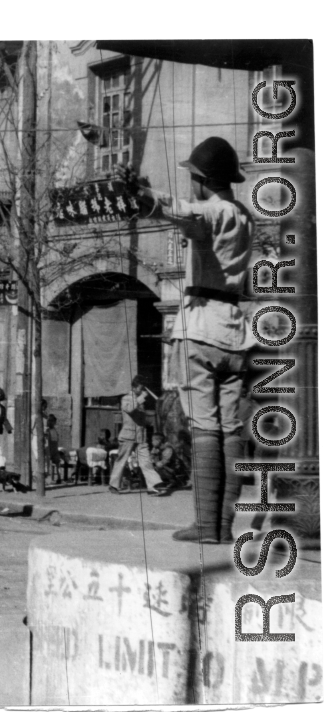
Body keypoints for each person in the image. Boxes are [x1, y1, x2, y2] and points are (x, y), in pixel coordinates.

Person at [117, 136, 253, 542]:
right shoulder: (244, 213)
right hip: (235, 330)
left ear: (202, 179)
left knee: (205, 428)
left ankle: (205, 525)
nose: (190, 182)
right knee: (231, 430)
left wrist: (140, 193)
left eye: (192, 176)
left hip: (200, 329)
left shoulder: (212, 211)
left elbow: (180, 210)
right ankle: (224, 527)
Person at [107, 376, 166, 496]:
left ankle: (153, 485)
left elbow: (140, 418)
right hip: (128, 435)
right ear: (134, 387)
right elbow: (129, 409)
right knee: (121, 461)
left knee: (146, 461)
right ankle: (114, 485)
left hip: (140, 437)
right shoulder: (126, 398)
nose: (142, 390)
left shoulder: (139, 400)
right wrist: (141, 398)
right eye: (140, 387)